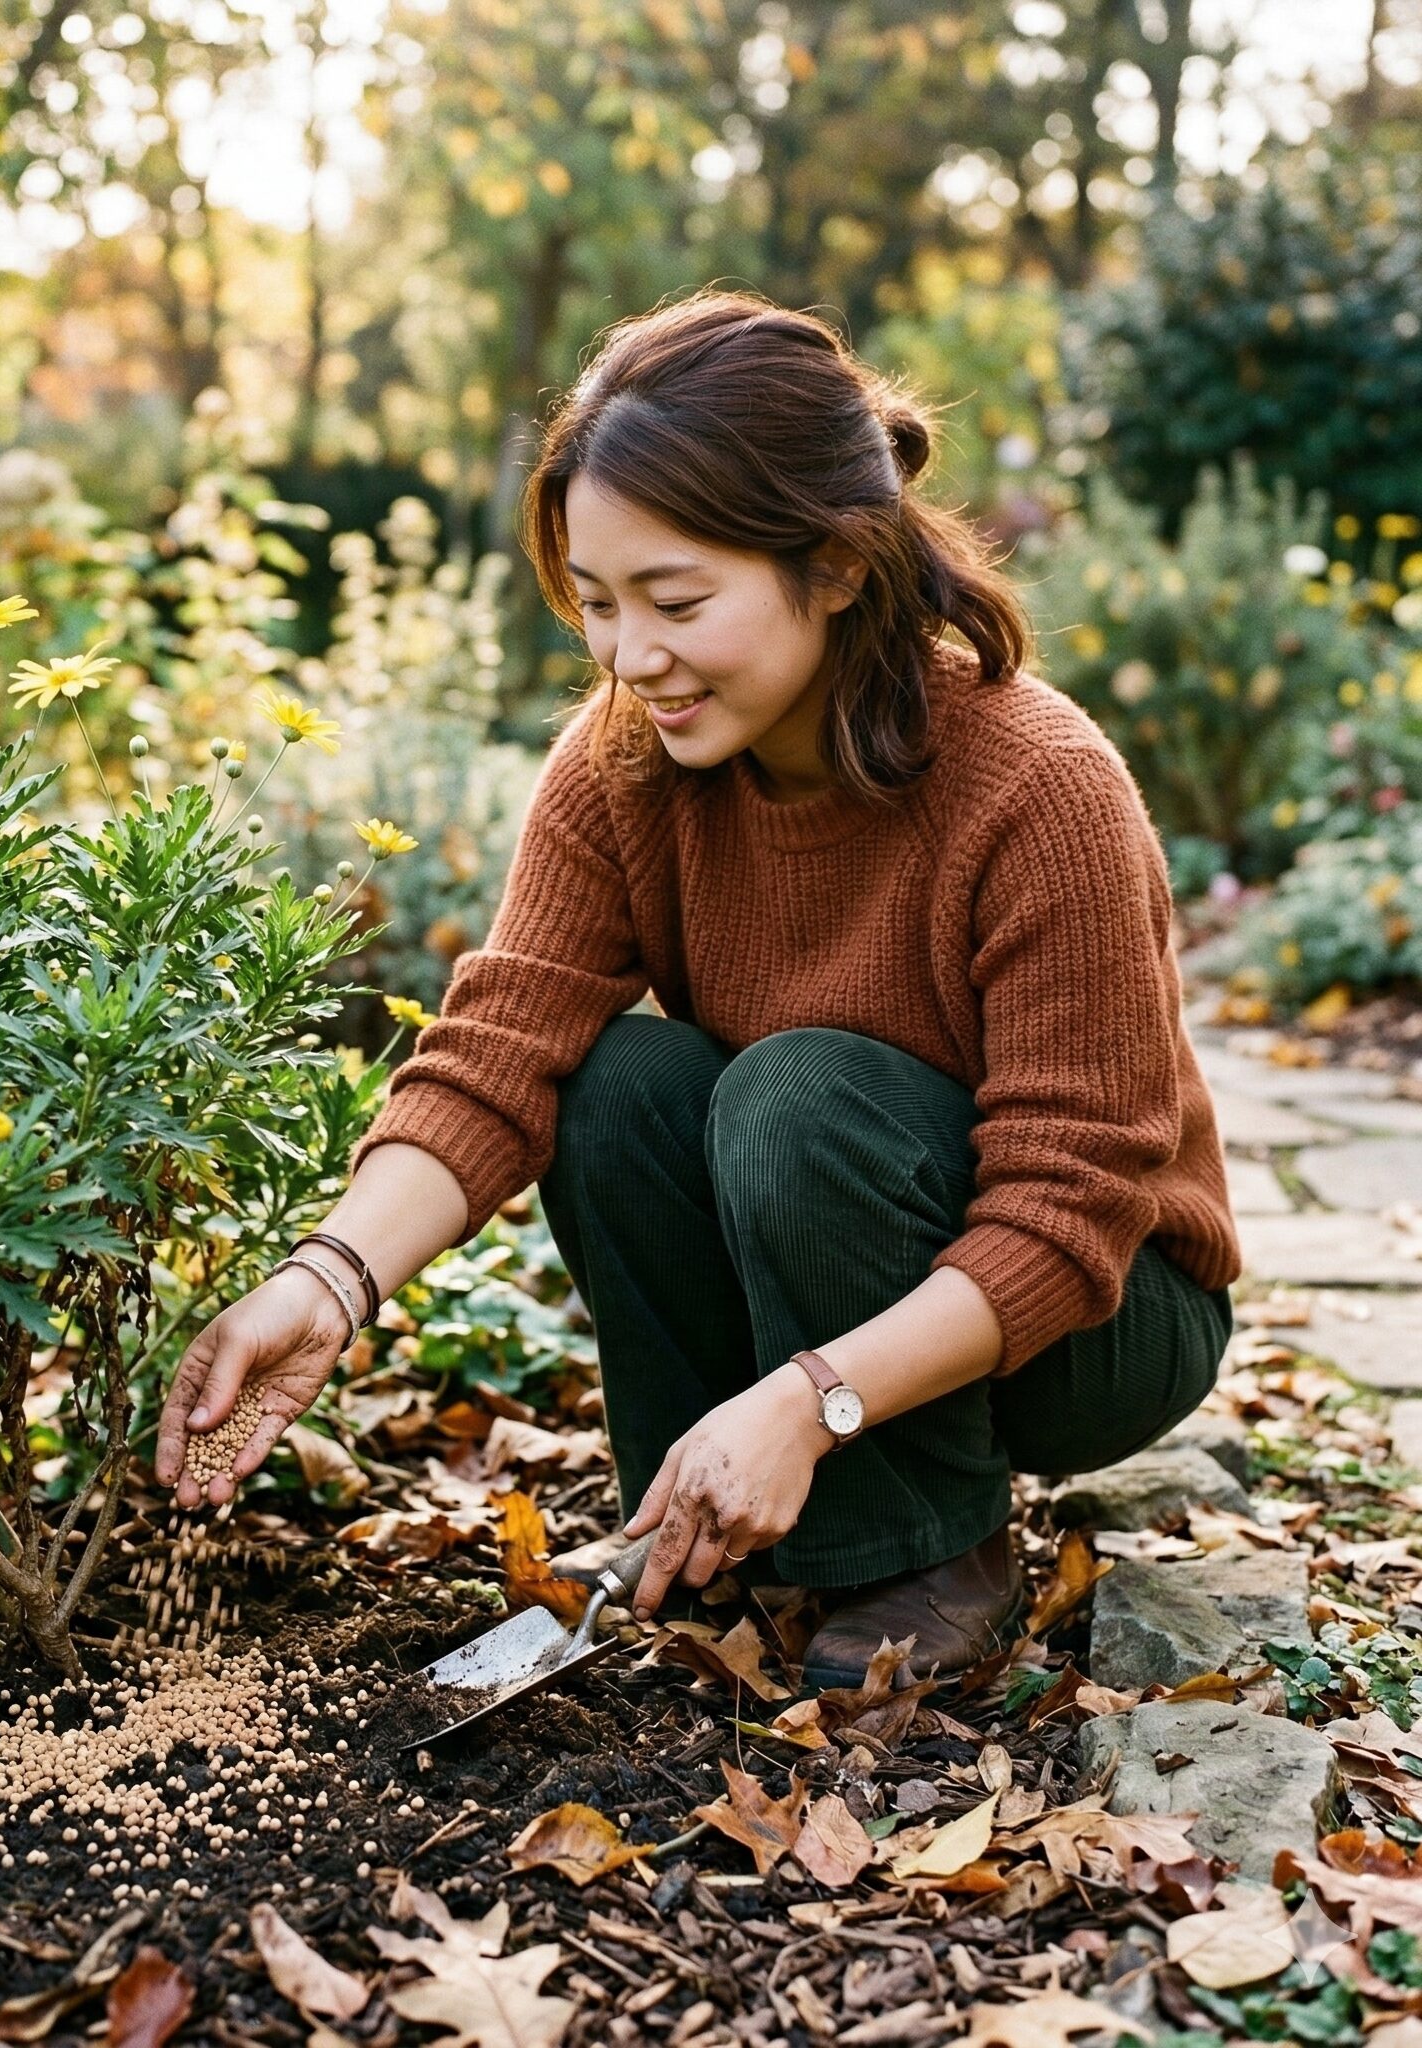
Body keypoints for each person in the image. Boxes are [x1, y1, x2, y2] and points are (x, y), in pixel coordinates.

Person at [153, 288, 1239, 1689]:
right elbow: (498, 1055)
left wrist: (814, 1395)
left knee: (799, 1088)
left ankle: (926, 1546)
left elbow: (1070, 1206)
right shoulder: (622, 770)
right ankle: (698, 1527)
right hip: (840, 1264)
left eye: (676, 601)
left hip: (1096, 1319)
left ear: (838, 563)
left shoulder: (1040, 786)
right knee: (612, 1084)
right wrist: (330, 1279)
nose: (629, 657)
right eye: (598, 605)